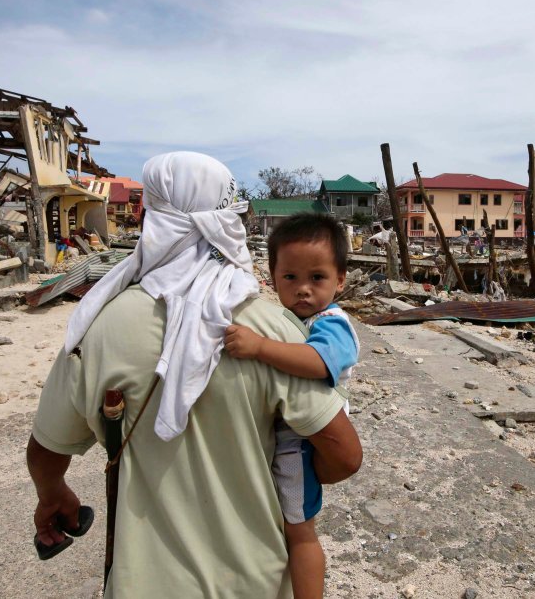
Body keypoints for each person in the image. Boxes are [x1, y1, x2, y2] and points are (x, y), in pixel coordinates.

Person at [27, 152, 362, 598]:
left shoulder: (96, 326)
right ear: (226, 221)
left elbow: (46, 451)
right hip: (255, 583)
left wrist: (54, 494)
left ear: (151, 217)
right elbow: (344, 456)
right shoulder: (271, 331)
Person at [224, 214, 358, 599]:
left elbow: (319, 363)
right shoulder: (289, 318)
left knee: (300, 533)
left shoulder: (332, 323)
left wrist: (260, 347)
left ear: (341, 279)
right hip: (287, 437)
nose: (303, 290)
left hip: (299, 446)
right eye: (290, 278)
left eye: (317, 278)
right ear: (271, 276)